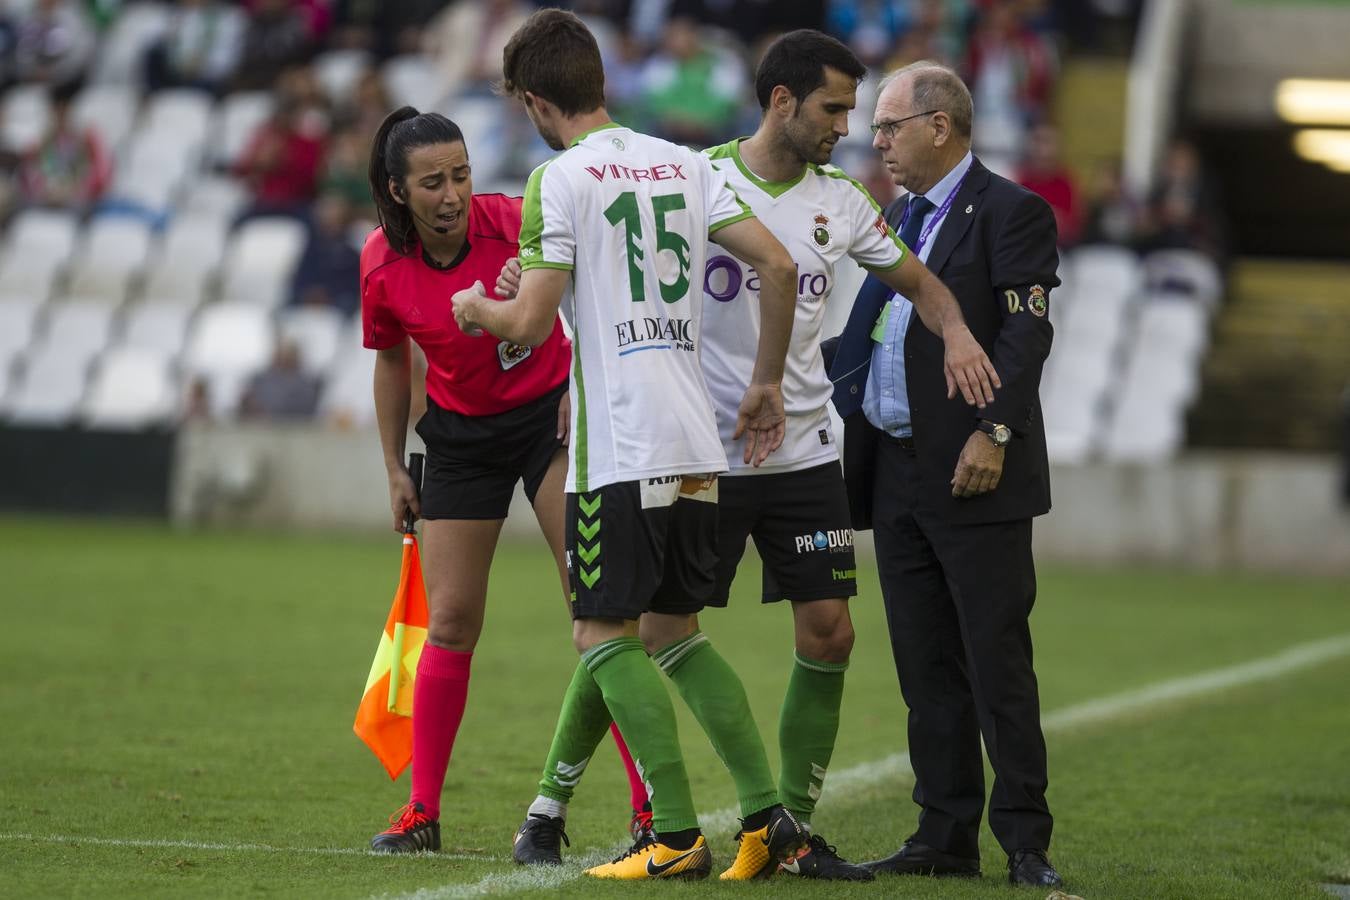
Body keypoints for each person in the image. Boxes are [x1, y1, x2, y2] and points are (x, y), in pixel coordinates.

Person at [502, 28, 1000, 882]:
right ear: (782, 101)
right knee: (645, 623)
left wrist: (955, 330)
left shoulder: (842, 201)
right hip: (705, 447)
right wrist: (541, 306)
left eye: (855, 108)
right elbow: (620, 283)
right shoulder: (692, 176)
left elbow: (919, 283)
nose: (850, 125)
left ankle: (787, 833)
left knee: (828, 632)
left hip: (805, 455)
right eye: (836, 107)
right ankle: (552, 799)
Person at [452, 8, 806, 881]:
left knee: (601, 634)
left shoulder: (558, 179)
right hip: (695, 439)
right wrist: (764, 381)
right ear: (599, 80)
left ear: (535, 100)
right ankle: (768, 818)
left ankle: (676, 834)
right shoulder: (687, 163)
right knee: (675, 633)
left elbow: (530, 325)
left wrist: (475, 309)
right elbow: (782, 266)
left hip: (618, 444)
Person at [359, 105, 645, 854]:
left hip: (549, 424)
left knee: (597, 614)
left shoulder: (520, 217)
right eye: (431, 182)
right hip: (457, 441)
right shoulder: (380, 267)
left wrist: (582, 388)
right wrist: (394, 466)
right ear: (396, 190)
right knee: (449, 624)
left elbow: (599, 288)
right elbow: (392, 363)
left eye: (460, 175)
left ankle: (649, 809)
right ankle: (421, 814)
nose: (452, 194)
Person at [824, 61, 1065, 888]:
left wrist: (993, 432)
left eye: (889, 125)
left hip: (975, 472)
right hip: (897, 468)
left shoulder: (1013, 211)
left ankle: (1026, 842)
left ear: (941, 125)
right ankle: (945, 832)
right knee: (925, 664)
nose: (876, 140)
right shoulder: (896, 216)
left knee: (996, 659)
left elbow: (1027, 337)